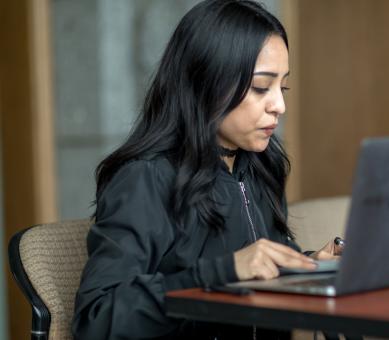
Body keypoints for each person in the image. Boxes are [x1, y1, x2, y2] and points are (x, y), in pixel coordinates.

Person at [72, 1, 342, 339]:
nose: (280, 106)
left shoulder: (259, 166)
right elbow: (96, 320)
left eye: (282, 87)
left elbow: (256, 275)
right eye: (261, 87)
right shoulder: (145, 178)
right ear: (208, 82)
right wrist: (221, 273)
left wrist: (306, 266)